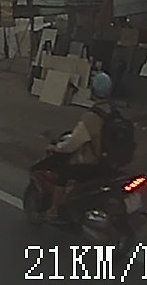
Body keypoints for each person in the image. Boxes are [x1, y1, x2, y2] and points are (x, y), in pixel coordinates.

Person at [41, 71, 117, 222]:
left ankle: (53, 211)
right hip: (111, 163)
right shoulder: (113, 112)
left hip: (93, 164)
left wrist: (56, 148)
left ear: (92, 90)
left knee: (63, 172)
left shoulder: (92, 116)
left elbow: (73, 143)